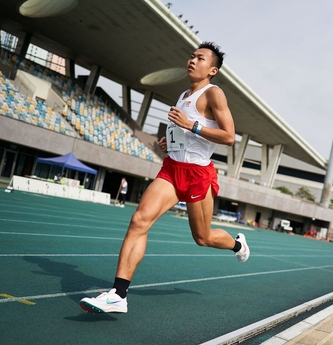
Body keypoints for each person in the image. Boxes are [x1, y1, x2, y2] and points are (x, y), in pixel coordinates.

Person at [79, 41, 250, 314]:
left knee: (203, 237)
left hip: (198, 174)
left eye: (200, 58)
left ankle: (237, 244)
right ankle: (118, 295)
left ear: (213, 69)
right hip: (171, 168)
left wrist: (190, 124)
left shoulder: (214, 94)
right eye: (192, 56)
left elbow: (229, 137)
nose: (192, 61)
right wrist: (169, 143)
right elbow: (183, 135)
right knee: (139, 221)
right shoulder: (183, 95)